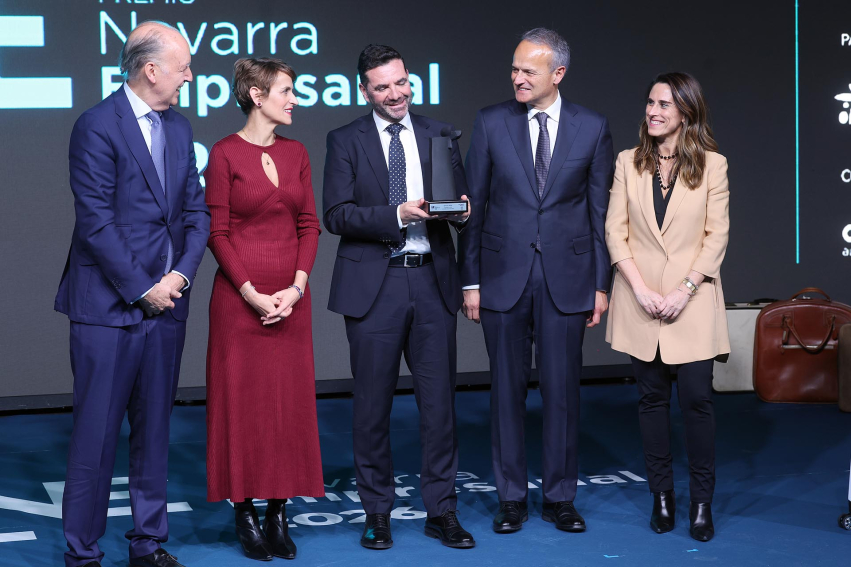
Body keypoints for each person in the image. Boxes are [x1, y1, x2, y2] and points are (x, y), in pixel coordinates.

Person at [54, 21, 209, 567]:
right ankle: (83, 555)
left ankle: (148, 545)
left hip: (168, 308)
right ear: (152, 70)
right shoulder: (96, 126)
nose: (190, 76)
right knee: (95, 440)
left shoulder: (183, 128)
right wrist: (144, 288)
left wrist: (179, 279)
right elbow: (95, 223)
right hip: (106, 310)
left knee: (155, 433)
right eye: (184, 66)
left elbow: (195, 215)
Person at [459, 28, 613, 535]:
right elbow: (473, 207)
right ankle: (510, 499)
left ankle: (560, 498)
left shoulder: (591, 127)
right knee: (505, 392)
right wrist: (471, 280)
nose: (517, 78)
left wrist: (600, 283)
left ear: (558, 74)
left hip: (567, 280)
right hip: (502, 278)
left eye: (529, 70)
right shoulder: (490, 122)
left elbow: (599, 213)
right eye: (515, 68)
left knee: (563, 393)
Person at [323, 44, 474, 550]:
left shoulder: (438, 133)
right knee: (371, 407)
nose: (396, 94)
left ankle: (442, 511)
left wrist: (462, 209)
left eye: (401, 82)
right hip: (376, 285)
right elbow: (336, 214)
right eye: (383, 86)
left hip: (433, 279)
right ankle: (377, 511)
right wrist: (398, 215)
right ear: (364, 90)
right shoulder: (344, 140)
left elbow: (461, 202)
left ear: (411, 81)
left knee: (439, 407)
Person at [204, 58, 325, 561]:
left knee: (286, 407)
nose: (295, 98)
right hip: (239, 301)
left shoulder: (296, 152)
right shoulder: (224, 154)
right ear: (257, 95)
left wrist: (295, 289)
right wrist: (253, 294)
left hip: (291, 299)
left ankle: (278, 509)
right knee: (242, 407)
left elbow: (310, 225)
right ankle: (245, 510)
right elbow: (218, 232)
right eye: (287, 90)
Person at [604, 72, 730, 542]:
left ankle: (702, 502)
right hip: (641, 300)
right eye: (650, 102)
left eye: (664, 104)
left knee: (697, 401)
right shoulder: (627, 163)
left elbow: (715, 237)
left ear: (686, 113)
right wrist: (638, 288)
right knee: (651, 400)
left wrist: (685, 290)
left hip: (691, 302)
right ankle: (662, 495)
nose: (653, 111)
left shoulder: (713, 166)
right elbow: (615, 232)